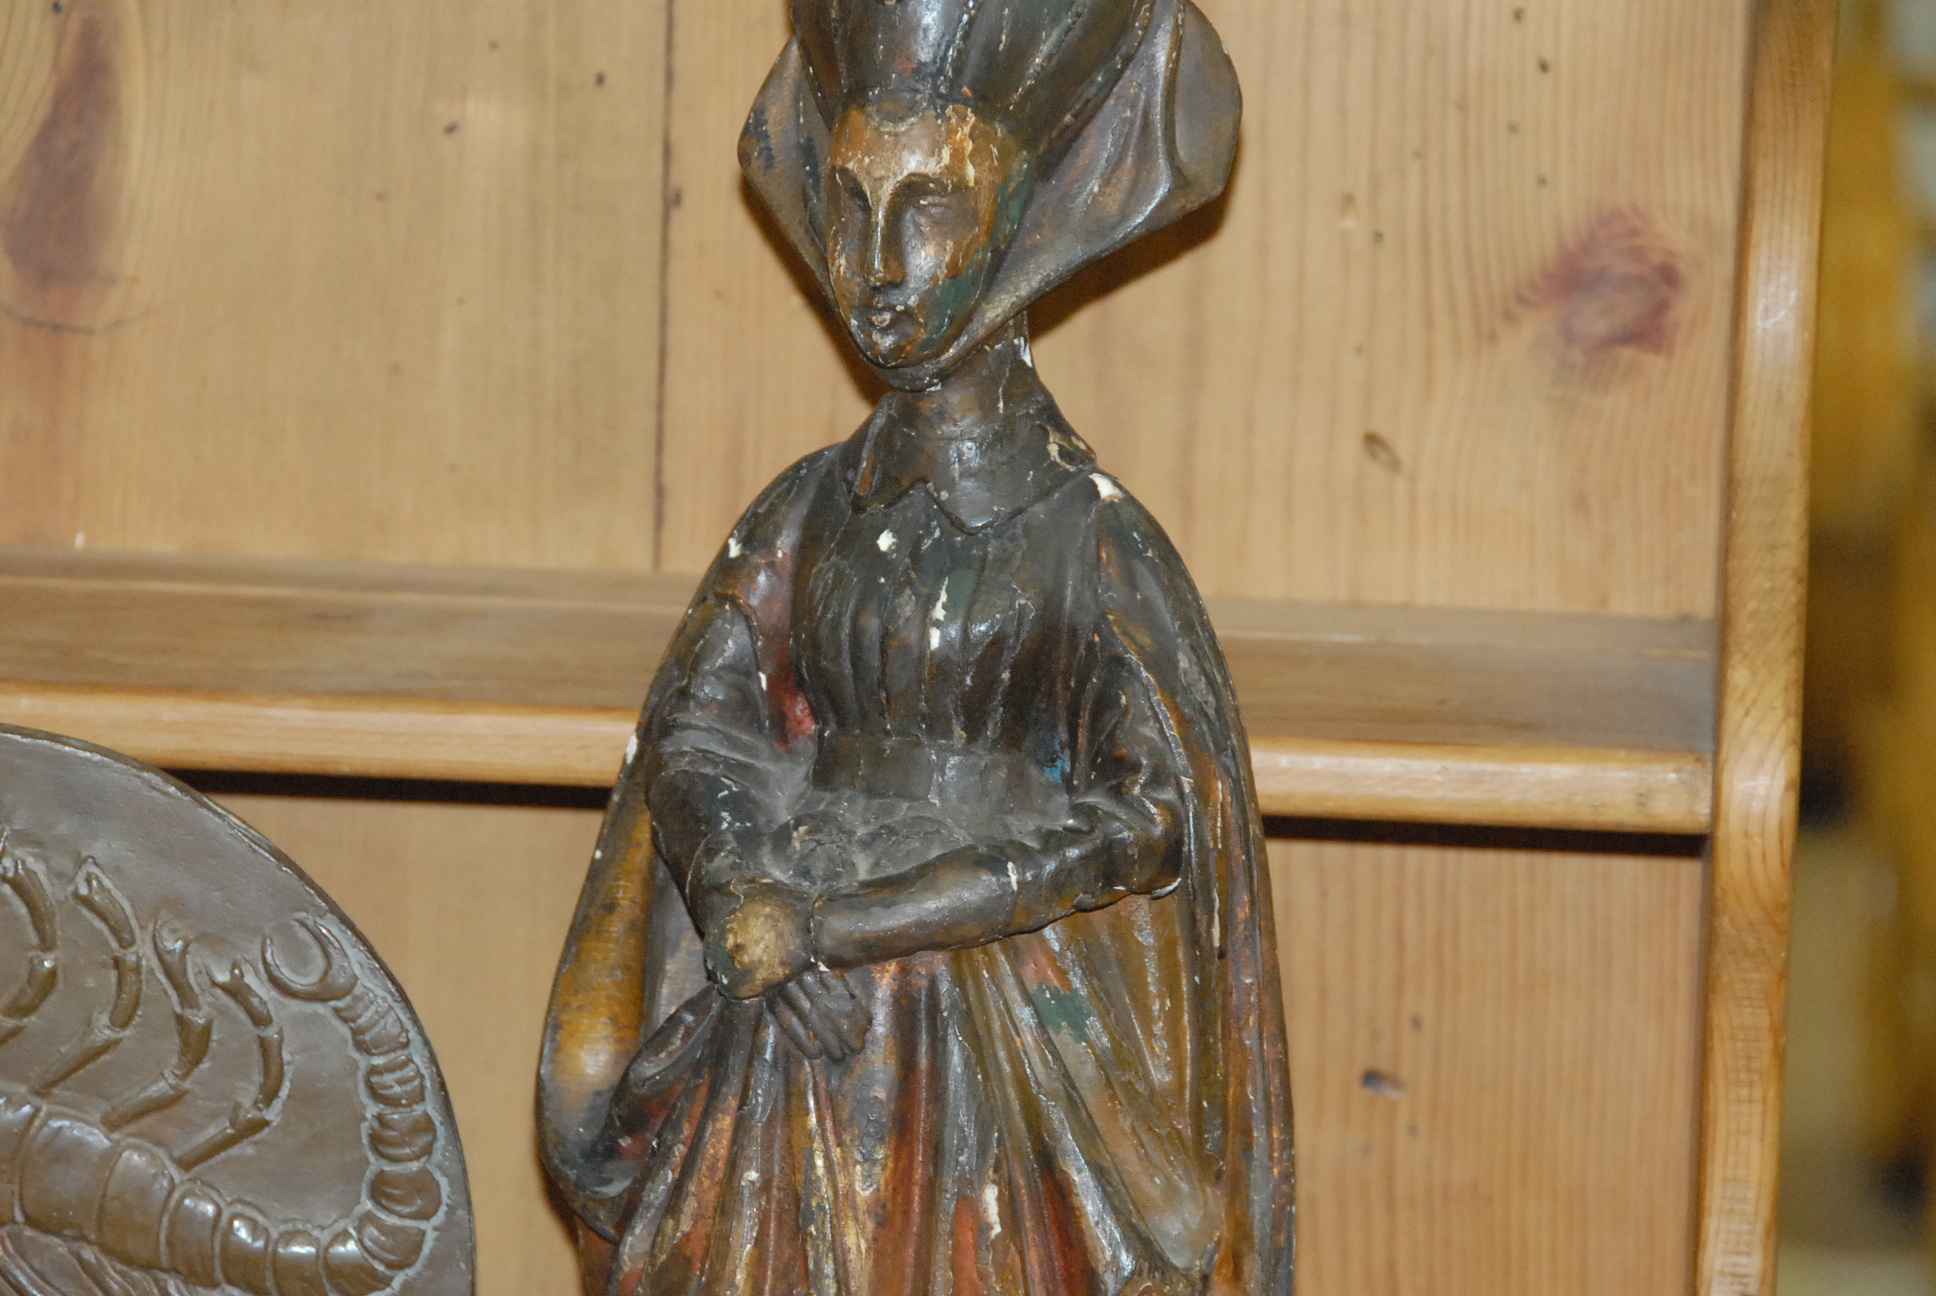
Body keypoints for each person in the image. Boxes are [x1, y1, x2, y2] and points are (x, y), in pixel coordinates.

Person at [540, 4, 1293, 1295]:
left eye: (929, 206)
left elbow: (1150, 817)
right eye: (851, 204)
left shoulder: (1087, 541)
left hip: (995, 1045)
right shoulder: (807, 512)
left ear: (1019, 215)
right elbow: (700, 727)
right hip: (779, 1037)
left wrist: (844, 925)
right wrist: (739, 895)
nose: (878, 262)